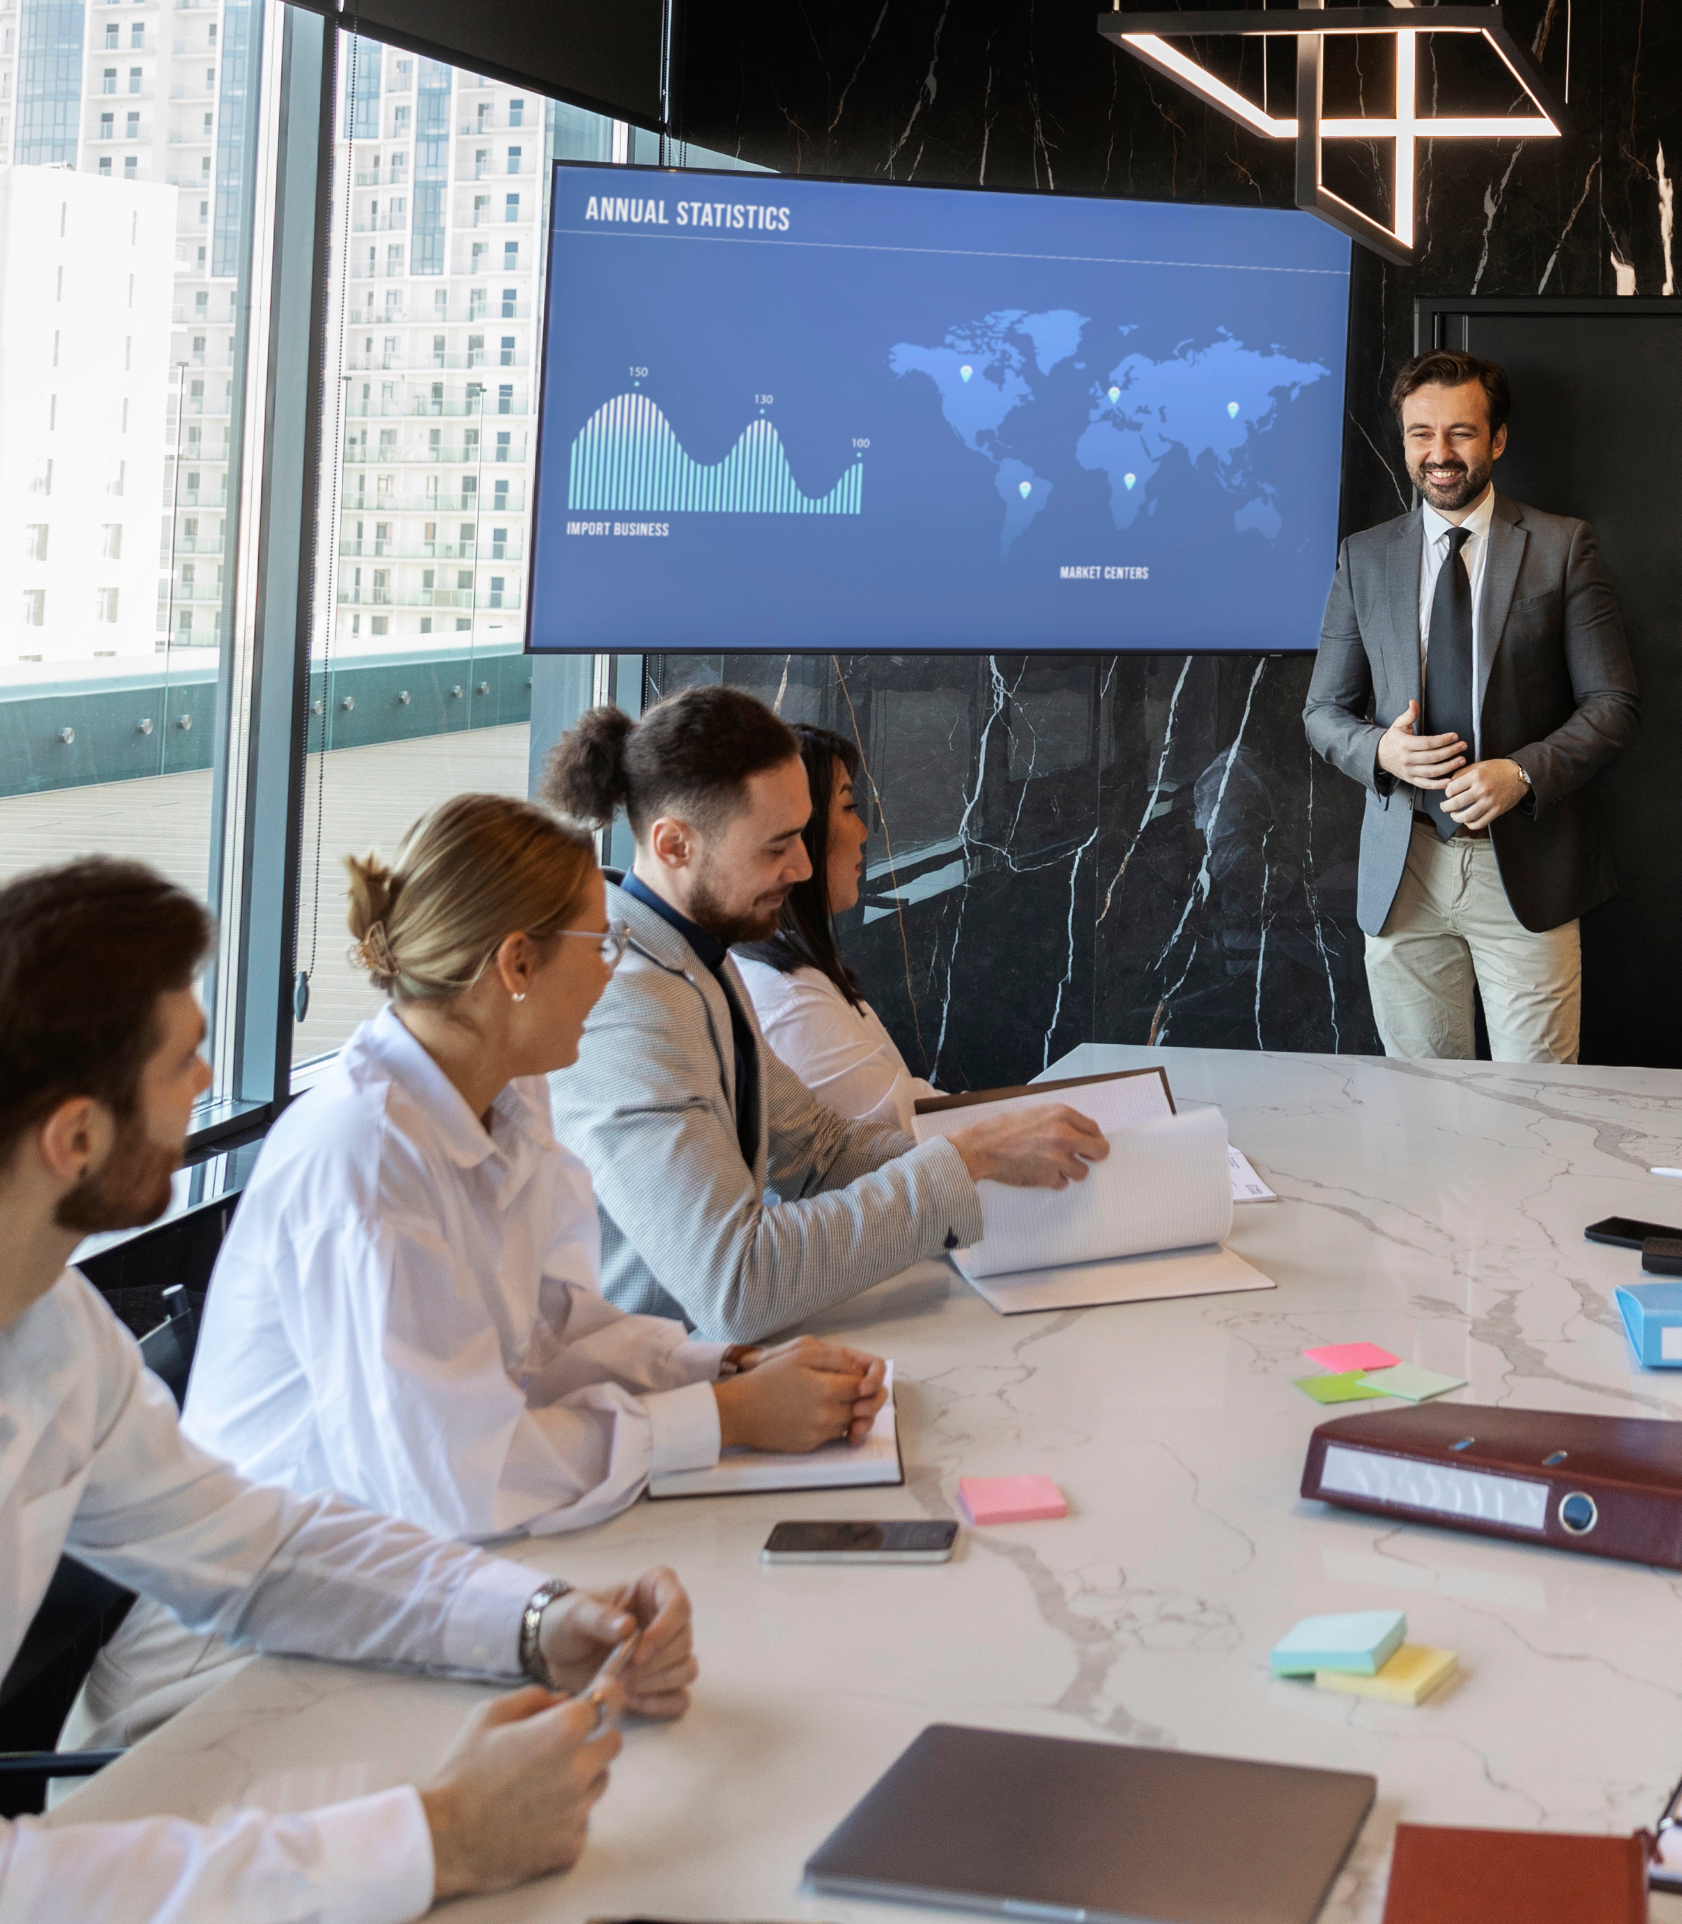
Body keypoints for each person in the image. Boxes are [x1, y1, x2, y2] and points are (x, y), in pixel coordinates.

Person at [0, 857, 691, 1924]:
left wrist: (533, 1619)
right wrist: (437, 1837)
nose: (210, 1083)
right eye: (181, 1062)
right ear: (74, 1134)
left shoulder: (58, 1328)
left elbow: (259, 1550)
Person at [82, 796, 884, 1748]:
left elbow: (552, 1327)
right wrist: (721, 1421)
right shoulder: (363, 1155)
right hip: (226, 1673)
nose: (611, 969)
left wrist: (718, 1370)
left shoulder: (505, 1092)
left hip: (396, 1587)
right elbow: (454, 1480)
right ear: (514, 964)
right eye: (600, 942)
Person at [544, 686, 1104, 1333]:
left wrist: (992, 1157)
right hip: (648, 1395)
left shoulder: (701, 954)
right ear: (674, 846)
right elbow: (737, 1284)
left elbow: (818, 1150)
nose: (804, 866)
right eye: (776, 845)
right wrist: (965, 1160)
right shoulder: (626, 1006)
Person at [1302, 351, 1639, 1063]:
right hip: (1404, 871)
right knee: (1420, 1109)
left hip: (1524, 869)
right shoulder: (1363, 557)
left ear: (1497, 440)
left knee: (1540, 1109)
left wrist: (1519, 773)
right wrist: (1380, 753)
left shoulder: (1560, 546)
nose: (1439, 453)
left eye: (1459, 432)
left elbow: (1612, 704)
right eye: (1420, 434)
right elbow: (1323, 711)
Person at [738, 720, 934, 1138]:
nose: (864, 832)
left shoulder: (788, 970)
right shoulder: (787, 1000)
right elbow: (910, 1136)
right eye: (848, 808)